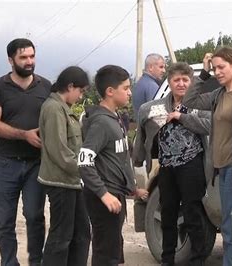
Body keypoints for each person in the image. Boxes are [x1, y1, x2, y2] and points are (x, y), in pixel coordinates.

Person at [134, 62, 211, 266]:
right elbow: (141, 129)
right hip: (166, 167)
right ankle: (167, 259)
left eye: (185, 80)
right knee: (167, 213)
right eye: (176, 80)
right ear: (169, 82)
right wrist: (139, 159)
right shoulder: (154, 107)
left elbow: (210, 125)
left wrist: (183, 117)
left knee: (193, 213)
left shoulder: (198, 105)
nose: (181, 84)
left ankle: (197, 260)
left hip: (192, 165)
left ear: (191, 81)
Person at [183, 47, 232, 266]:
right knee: (229, 225)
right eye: (215, 69)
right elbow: (189, 102)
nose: (218, 72)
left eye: (221, 67)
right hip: (221, 168)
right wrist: (203, 74)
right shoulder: (219, 94)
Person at [0, 38, 51, 266]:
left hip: (36, 163)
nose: (29, 61)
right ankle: (9, 262)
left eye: (32, 56)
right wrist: (25, 135)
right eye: (23, 57)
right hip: (6, 162)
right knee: (4, 220)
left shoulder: (45, 86)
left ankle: (36, 261)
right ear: (10, 59)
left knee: (34, 217)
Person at [78, 65, 148, 266]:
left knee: (113, 249)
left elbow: (117, 159)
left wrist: (132, 188)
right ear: (110, 91)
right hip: (104, 197)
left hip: (116, 194)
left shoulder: (114, 117)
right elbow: (84, 161)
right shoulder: (101, 122)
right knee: (105, 252)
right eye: (126, 88)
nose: (130, 92)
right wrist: (103, 194)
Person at [38, 66, 91, 266]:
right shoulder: (53, 108)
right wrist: (85, 170)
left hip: (73, 181)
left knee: (81, 234)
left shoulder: (63, 107)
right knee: (61, 237)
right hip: (60, 182)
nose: (81, 95)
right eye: (81, 90)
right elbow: (58, 150)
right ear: (70, 86)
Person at [132, 53, 166, 121]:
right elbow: (158, 117)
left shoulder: (139, 83)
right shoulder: (152, 86)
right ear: (150, 67)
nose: (164, 71)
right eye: (161, 67)